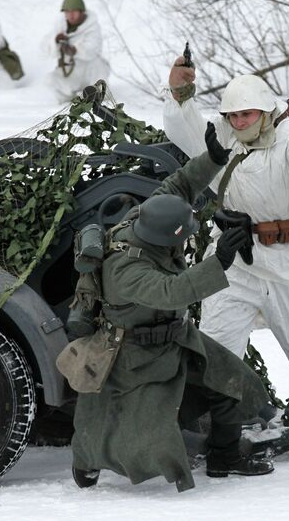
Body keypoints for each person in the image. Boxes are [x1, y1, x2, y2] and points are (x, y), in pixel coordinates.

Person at [161, 56, 289, 453]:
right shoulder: (222, 137)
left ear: (265, 112)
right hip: (235, 263)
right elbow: (187, 130)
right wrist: (181, 93)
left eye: (247, 114)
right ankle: (209, 430)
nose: (239, 122)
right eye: (232, 115)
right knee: (214, 345)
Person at [70, 123, 274, 492]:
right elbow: (172, 291)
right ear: (169, 239)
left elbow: (178, 188)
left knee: (230, 383)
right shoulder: (126, 269)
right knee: (141, 433)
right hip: (134, 357)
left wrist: (212, 159)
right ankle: (86, 461)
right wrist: (220, 262)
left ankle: (225, 458)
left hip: (176, 339)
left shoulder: (144, 217)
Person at [43, 0, 110, 103]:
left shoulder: (92, 26)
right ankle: (69, 100)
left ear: (81, 11)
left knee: (100, 64)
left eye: (74, 11)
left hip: (89, 71)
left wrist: (74, 50)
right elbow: (45, 50)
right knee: (50, 80)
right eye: (67, 12)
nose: (70, 15)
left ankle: (98, 96)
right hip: (70, 71)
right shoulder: (60, 26)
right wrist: (55, 41)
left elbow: (93, 49)